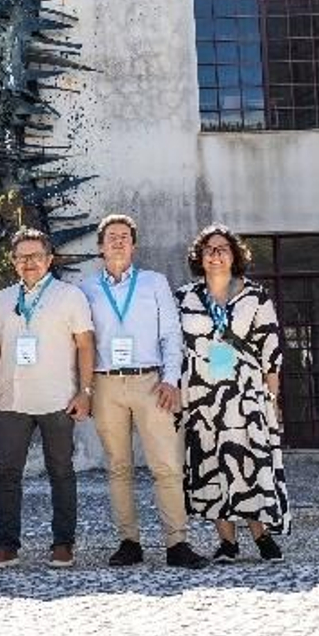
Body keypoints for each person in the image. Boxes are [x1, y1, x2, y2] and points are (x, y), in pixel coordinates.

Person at [79, 213, 208, 569]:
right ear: (101, 247)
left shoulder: (154, 283)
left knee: (166, 465)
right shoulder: (87, 289)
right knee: (118, 467)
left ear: (133, 245)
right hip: (106, 384)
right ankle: (129, 542)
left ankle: (177, 543)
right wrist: (85, 389)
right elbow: (82, 343)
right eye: (111, 237)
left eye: (124, 236)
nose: (118, 242)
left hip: (151, 382)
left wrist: (171, 379)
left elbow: (171, 335)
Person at [0, 228, 95, 569]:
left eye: (34, 256)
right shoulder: (3, 298)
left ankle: (63, 544)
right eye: (21, 257)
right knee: (7, 474)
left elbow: (86, 345)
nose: (28, 262)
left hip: (57, 397)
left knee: (60, 471)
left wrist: (85, 392)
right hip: (13, 398)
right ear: (13, 262)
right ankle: (6, 546)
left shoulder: (69, 296)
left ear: (49, 259)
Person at [179, 224, 290, 561]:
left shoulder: (255, 296)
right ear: (199, 256)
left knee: (251, 463)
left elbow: (271, 353)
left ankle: (262, 536)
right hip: (201, 396)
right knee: (211, 464)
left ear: (235, 254)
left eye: (222, 248)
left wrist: (273, 400)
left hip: (246, 396)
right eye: (209, 249)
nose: (215, 254)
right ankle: (227, 542)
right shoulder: (184, 297)